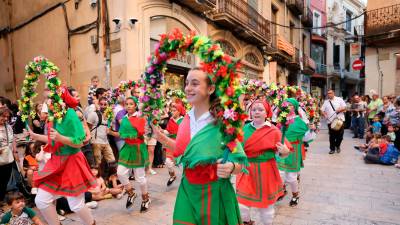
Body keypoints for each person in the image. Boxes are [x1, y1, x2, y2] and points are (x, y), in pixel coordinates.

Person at [150, 68, 248, 224]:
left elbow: (240, 162)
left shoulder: (223, 122)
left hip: (214, 193)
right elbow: (186, 152)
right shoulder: (186, 119)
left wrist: (230, 167)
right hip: (188, 189)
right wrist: (163, 139)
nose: (188, 88)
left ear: (211, 89)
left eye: (195, 84)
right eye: (187, 83)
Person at [27, 87, 96, 225]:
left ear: (59, 99)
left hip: (72, 163)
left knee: (75, 205)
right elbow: (53, 139)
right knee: (41, 201)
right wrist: (36, 136)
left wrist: (60, 138)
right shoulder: (52, 116)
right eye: (45, 98)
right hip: (56, 163)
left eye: (49, 98)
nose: (46, 102)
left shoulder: (71, 114)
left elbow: (79, 142)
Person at [236, 100, 291, 225]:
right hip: (247, 169)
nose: (256, 112)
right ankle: (248, 222)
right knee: (241, 205)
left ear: (267, 113)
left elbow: (284, 152)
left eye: (260, 110)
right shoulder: (244, 128)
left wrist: (285, 151)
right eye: (254, 109)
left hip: (266, 170)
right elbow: (237, 148)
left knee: (266, 209)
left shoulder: (274, 131)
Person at [107, 97, 151, 212]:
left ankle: (146, 199)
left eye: (131, 104)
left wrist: (112, 133)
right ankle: (131, 193)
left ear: (135, 106)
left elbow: (139, 135)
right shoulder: (125, 118)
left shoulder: (140, 118)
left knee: (140, 178)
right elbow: (122, 133)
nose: (129, 106)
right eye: (127, 104)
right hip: (127, 148)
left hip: (137, 149)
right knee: (120, 172)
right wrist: (111, 131)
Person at [277, 98, 309, 207]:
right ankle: (282, 191)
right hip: (281, 149)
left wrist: (311, 130)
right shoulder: (281, 119)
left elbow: (306, 136)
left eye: (290, 105)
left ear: (295, 107)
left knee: (291, 177)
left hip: (293, 150)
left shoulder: (299, 121)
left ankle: (295, 195)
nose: (288, 107)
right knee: (280, 174)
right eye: (286, 105)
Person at [86, 97, 116, 167]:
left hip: (105, 141)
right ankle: (99, 177)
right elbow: (87, 127)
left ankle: (110, 176)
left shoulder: (109, 116)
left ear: (107, 105)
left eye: (105, 104)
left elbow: (109, 128)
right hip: (96, 142)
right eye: (101, 104)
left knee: (112, 161)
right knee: (97, 163)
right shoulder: (93, 114)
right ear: (98, 104)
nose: (103, 106)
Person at [163, 102, 185, 186]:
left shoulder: (183, 120)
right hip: (171, 143)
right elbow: (168, 131)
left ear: (179, 111)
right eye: (171, 110)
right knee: (168, 162)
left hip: (181, 143)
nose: (172, 112)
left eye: (174, 110)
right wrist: (162, 131)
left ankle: (185, 181)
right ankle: (172, 176)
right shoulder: (171, 120)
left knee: (181, 164)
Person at [321, 90, 347, 154]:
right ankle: (332, 149)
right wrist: (325, 115)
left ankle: (337, 146)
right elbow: (322, 110)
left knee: (340, 136)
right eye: (328, 94)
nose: (329, 94)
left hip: (339, 120)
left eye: (330, 93)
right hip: (330, 121)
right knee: (332, 136)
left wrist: (340, 109)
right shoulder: (326, 102)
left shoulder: (339, 99)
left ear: (333, 93)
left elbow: (345, 107)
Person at [0, 106, 16, 202]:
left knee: (4, 181)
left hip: (7, 159)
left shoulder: (8, 126)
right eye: (3, 116)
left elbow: (12, 139)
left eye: (7, 117)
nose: (5, 119)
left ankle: (1, 200)